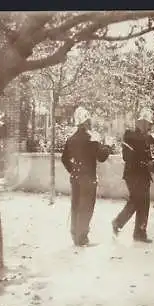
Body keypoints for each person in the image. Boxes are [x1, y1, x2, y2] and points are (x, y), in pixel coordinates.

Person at [62, 106, 112, 247]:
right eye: (88, 121)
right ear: (85, 122)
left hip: (75, 178)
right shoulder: (91, 139)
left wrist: (73, 170)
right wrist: (107, 146)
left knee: (76, 206)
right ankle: (82, 238)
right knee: (86, 207)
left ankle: (75, 235)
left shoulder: (71, 139)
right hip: (88, 178)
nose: (90, 123)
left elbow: (64, 159)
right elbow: (101, 157)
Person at [112, 109, 154, 243]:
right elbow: (128, 156)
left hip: (143, 175)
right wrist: (144, 160)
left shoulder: (146, 138)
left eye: (150, 124)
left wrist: (152, 162)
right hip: (133, 174)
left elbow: (146, 155)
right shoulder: (130, 135)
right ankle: (118, 222)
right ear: (140, 122)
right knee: (136, 200)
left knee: (144, 203)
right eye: (148, 124)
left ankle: (140, 232)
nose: (150, 127)